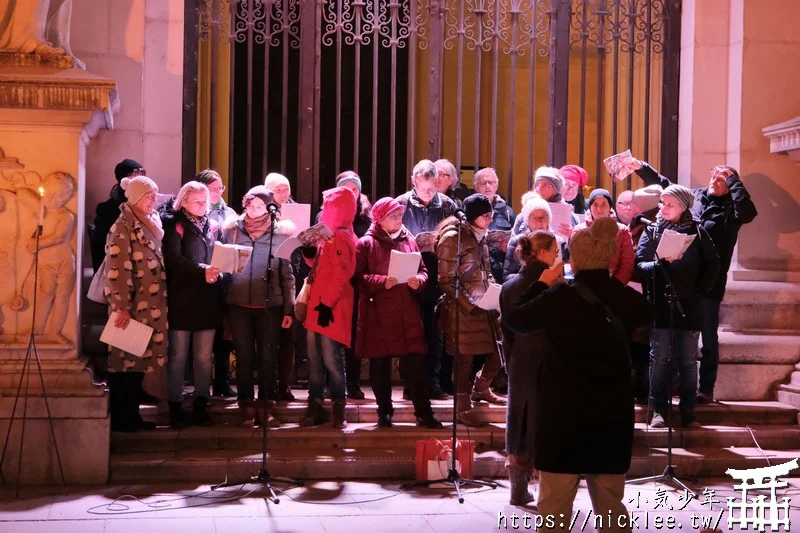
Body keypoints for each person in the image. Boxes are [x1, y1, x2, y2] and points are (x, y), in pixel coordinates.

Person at [505, 217, 654, 527]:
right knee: (611, 505)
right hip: (611, 413)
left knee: (555, 506)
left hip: (563, 414)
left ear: (577, 257)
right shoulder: (624, 297)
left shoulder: (560, 297)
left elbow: (517, 318)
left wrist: (542, 282)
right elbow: (648, 316)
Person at [634, 161, 757, 404]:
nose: (715, 179)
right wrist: (641, 167)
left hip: (708, 284)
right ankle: (676, 387)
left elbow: (748, 211)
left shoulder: (732, 210)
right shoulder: (697, 197)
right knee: (677, 340)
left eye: (722, 178)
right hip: (679, 281)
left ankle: (706, 389)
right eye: (714, 174)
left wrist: (732, 181)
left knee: (708, 337)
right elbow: (667, 187)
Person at [635, 184, 720, 428]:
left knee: (688, 360)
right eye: (662, 203)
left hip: (690, 305)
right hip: (660, 305)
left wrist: (701, 291)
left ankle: (688, 413)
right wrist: (660, 264)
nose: (664, 207)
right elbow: (639, 266)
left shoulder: (698, 231)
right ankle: (658, 412)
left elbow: (713, 264)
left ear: (683, 207)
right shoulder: (651, 231)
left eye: (670, 203)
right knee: (660, 358)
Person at [354, 197, 443, 429]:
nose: (398, 219)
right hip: (379, 314)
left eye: (400, 215)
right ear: (380, 219)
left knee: (417, 365)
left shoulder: (409, 240)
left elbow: (423, 270)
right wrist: (383, 281)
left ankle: (424, 412)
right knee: (380, 365)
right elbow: (357, 278)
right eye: (393, 215)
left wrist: (419, 280)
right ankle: (384, 412)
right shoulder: (365, 243)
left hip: (407, 314)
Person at [222, 185, 295, 427]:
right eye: (250, 204)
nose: (254, 210)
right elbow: (221, 267)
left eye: (260, 206)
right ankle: (245, 405)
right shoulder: (232, 230)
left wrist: (288, 309)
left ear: (269, 208)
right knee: (243, 356)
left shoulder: (280, 234)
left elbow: (287, 274)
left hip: (270, 304)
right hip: (239, 303)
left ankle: (266, 406)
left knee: (267, 356)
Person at [102, 175, 168, 432]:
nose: (155, 200)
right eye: (149, 195)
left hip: (149, 303)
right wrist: (121, 306)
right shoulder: (123, 226)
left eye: (155, 194)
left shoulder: (150, 221)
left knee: (138, 363)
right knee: (125, 364)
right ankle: (123, 418)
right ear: (136, 198)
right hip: (130, 307)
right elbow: (116, 269)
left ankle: (131, 414)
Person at [500, 229, 560, 506]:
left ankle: (517, 489)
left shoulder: (509, 285)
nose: (558, 257)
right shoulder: (554, 283)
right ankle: (547, 491)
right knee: (545, 421)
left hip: (519, 359)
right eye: (555, 251)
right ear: (544, 253)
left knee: (519, 422)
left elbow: (506, 330)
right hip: (548, 359)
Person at [436, 193, 507, 427]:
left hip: (485, 303)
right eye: (485, 216)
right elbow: (447, 280)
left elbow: (485, 270)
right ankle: (462, 405)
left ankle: (481, 387)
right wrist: (468, 306)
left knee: (500, 349)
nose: (489, 219)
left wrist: (494, 297)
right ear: (472, 217)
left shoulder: (480, 236)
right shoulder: (453, 238)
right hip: (463, 308)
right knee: (463, 359)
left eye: (490, 215)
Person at [162, 181, 224, 428]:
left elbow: (218, 255)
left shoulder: (212, 225)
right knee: (177, 355)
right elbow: (173, 260)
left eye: (205, 201)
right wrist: (202, 270)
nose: (202, 206)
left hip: (207, 299)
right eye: (197, 201)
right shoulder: (174, 224)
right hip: (182, 298)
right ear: (184, 201)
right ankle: (175, 406)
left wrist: (223, 269)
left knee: (203, 357)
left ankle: (201, 403)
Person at [397, 160, 457, 399]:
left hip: (436, 269)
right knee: (410, 329)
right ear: (414, 182)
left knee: (435, 330)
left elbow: (456, 237)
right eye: (424, 189)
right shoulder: (400, 203)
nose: (429, 194)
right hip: (409, 268)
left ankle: (433, 382)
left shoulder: (447, 205)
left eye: (433, 189)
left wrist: (438, 242)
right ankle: (411, 384)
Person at [301, 186, 358, 429]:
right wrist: (309, 252)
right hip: (319, 303)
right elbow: (321, 266)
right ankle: (314, 405)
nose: (324, 210)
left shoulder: (343, 235)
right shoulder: (331, 233)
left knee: (331, 360)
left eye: (328, 207)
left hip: (329, 306)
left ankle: (337, 407)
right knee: (315, 359)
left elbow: (342, 272)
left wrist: (326, 304)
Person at [194, 168, 237, 398]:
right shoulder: (195, 210)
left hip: (223, 279)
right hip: (200, 279)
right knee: (201, 335)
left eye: (220, 188)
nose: (217, 192)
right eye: (212, 188)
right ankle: (198, 382)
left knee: (224, 334)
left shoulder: (229, 212)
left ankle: (222, 380)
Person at [332, 171, 372, 400]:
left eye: (355, 189)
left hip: (357, 282)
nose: (351, 192)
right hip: (335, 282)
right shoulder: (327, 214)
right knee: (333, 334)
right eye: (346, 188)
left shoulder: (367, 216)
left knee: (354, 337)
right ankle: (333, 382)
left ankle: (353, 382)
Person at [264, 171, 301, 401]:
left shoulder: (296, 211)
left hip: (291, 274)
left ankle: (285, 385)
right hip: (268, 280)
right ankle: (268, 384)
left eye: (287, 188)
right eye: (279, 189)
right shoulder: (261, 211)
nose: (285, 194)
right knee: (269, 338)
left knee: (288, 337)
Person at [91, 159, 145, 272]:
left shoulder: (146, 205)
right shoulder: (107, 210)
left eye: (141, 176)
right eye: (134, 176)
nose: (138, 180)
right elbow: (102, 245)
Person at [571, 189, 634, 284]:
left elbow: (627, 263)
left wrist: (616, 285)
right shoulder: (579, 231)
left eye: (604, 204)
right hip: (584, 285)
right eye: (595, 205)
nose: (599, 209)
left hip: (614, 285)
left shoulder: (622, 231)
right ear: (590, 207)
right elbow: (575, 261)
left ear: (610, 207)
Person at [504, 196, 570, 280]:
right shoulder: (517, 242)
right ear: (527, 221)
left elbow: (566, 273)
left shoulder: (560, 242)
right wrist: (528, 276)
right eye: (534, 218)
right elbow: (507, 276)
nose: (539, 222)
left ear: (549, 218)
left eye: (543, 217)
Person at [473, 167, 515, 283]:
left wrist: (508, 244)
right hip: (477, 266)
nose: (487, 186)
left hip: (502, 266)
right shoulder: (469, 210)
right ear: (476, 187)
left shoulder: (507, 212)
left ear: (496, 186)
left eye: (491, 182)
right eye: (483, 183)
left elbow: (516, 238)